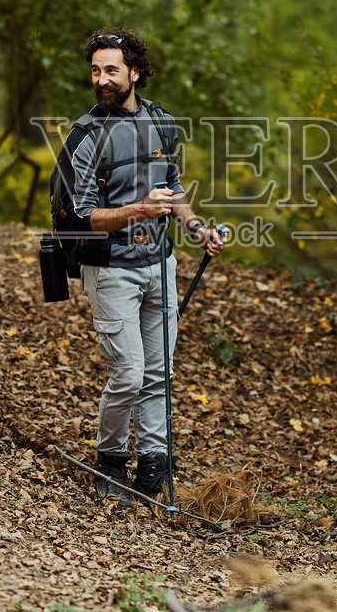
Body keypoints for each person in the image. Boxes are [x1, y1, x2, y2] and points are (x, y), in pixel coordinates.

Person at [54, 29, 226, 502]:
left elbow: (174, 188)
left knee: (159, 371)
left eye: (111, 70)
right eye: (95, 70)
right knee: (129, 373)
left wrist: (197, 230)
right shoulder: (86, 136)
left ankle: (154, 468)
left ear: (134, 72)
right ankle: (109, 462)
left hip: (160, 264)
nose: (102, 79)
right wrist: (138, 211)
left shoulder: (162, 124)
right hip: (110, 268)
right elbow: (82, 216)